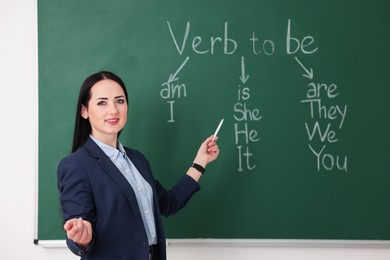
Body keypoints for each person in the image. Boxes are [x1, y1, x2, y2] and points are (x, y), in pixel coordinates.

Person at [57, 71, 220, 260]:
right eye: (102, 102)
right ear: (84, 111)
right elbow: (78, 231)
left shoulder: (137, 160)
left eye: (119, 101)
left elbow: (168, 204)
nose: (113, 110)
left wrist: (200, 161)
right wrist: (82, 238)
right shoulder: (76, 165)